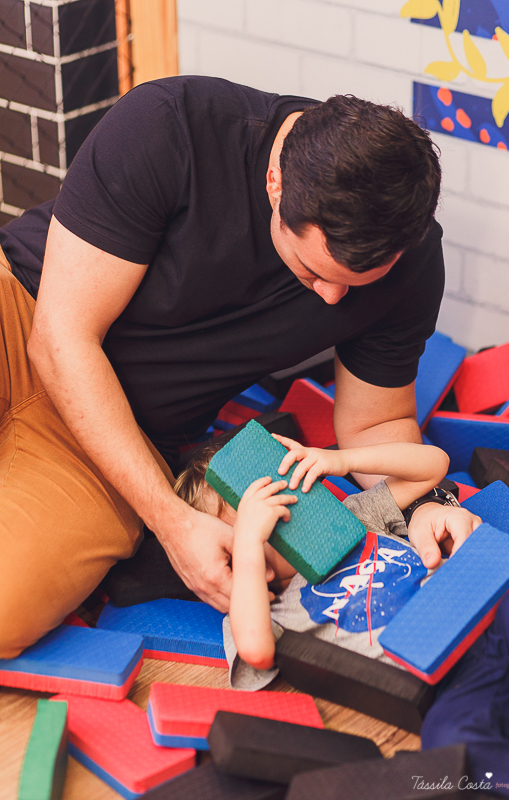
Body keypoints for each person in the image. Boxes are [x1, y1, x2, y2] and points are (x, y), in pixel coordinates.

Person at [0, 76, 478, 657]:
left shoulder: (412, 264)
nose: (332, 299)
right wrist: (171, 523)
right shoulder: (168, 125)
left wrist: (428, 506)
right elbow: (60, 339)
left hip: (120, 436)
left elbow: (375, 424)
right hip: (21, 314)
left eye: (355, 284)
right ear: (275, 184)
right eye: (313, 271)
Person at [176, 435, 509, 799]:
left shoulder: (354, 517)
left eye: (281, 493)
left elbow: (433, 464)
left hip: (495, 618)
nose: (280, 513)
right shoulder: (265, 609)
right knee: (449, 744)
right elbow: (256, 651)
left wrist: (341, 460)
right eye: (257, 520)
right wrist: (249, 546)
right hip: (458, 680)